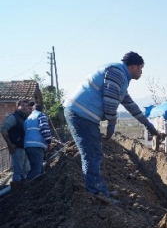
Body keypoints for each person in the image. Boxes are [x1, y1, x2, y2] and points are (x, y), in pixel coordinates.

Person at [63, 51, 159, 198]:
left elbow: (130, 105)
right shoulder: (117, 73)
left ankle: (98, 191)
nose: (141, 72)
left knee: (94, 154)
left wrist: (147, 124)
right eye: (141, 68)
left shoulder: (121, 78)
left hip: (83, 115)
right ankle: (96, 194)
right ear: (133, 67)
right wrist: (112, 123)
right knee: (92, 155)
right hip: (80, 114)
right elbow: (110, 101)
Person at [0, 100, 31, 190]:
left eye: (26, 106)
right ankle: (15, 194)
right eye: (23, 105)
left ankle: (23, 192)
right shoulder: (14, 117)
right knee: (18, 171)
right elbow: (3, 129)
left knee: (25, 171)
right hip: (17, 148)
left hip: (24, 147)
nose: (25, 107)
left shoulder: (24, 118)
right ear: (17, 107)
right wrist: (10, 144)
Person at [24, 104, 52, 180]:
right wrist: (49, 142)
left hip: (28, 146)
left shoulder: (29, 118)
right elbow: (45, 129)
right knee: (36, 172)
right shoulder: (41, 115)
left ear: (33, 109)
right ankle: (28, 189)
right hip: (36, 145)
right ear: (41, 110)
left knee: (39, 169)